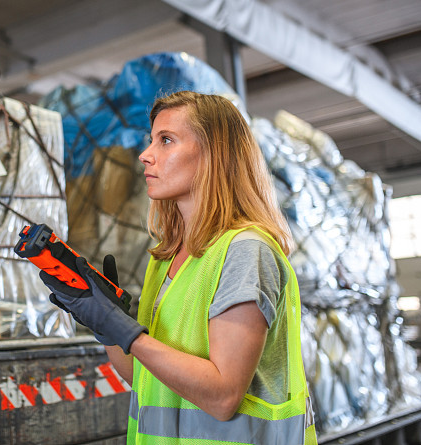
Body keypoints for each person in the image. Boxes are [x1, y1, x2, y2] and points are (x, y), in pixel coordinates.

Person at [40, 91, 317, 444]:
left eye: (166, 140)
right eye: (151, 140)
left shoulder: (246, 252)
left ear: (213, 156)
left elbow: (222, 396)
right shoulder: (166, 259)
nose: (145, 155)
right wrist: (106, 325)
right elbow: (145, 376)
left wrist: (126, 331)